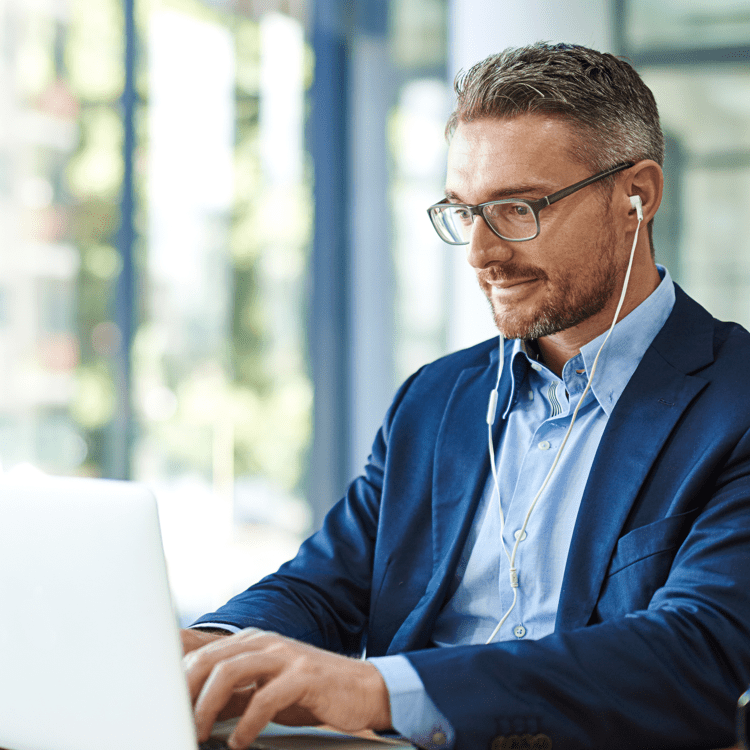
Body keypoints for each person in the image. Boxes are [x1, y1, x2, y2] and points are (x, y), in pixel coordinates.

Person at [181, 43, 750, 750]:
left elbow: (691, 657)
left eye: (517, 208)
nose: (481, 253)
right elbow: (324, 586)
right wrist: (206, 649)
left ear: (637, 195)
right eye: (463, 212)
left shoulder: (735, 404)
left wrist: (375, 690)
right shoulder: (437, 399)